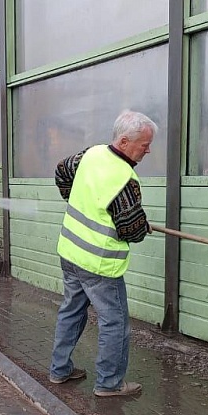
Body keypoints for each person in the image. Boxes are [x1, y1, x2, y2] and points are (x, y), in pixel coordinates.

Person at [48, 110, 156, 397]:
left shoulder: (91, 154)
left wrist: (78, 199)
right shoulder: (124, 180)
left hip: (70, 253)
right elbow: (131, 231)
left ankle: (60, 370)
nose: (148, 150)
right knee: (114, 322)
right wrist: (142, 226)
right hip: (99, 265)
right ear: (124, 141)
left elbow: (61, 170)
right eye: (144, 145)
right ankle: (109, 383)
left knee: (71, 311)